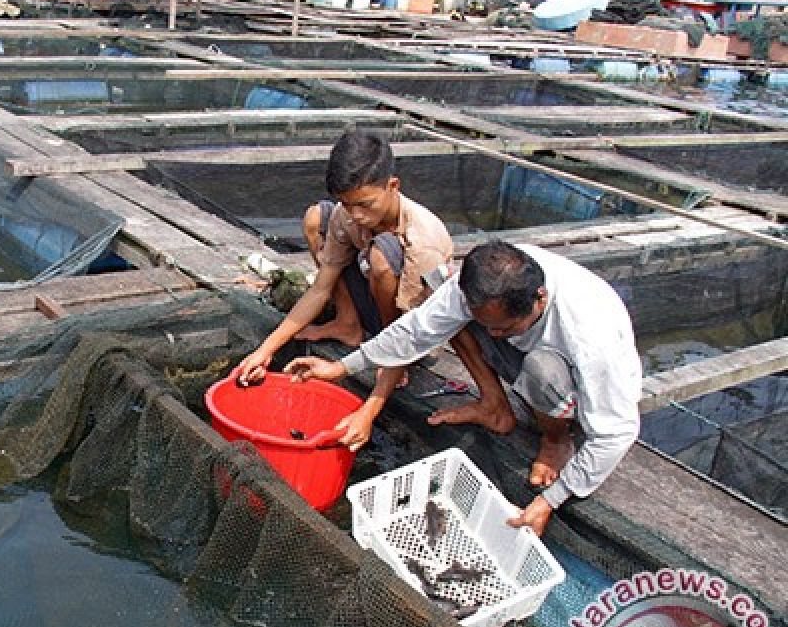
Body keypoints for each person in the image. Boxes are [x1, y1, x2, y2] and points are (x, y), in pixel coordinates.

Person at [285, 240, 643, 536]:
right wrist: (341, 366)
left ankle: (555, 438)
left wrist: (551, 500)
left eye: (504, 328)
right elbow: (415, 331)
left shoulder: (591, 334)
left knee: (542, 373)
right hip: (520, 352)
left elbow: (616, 433)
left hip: (569, 387)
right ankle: (495, 405)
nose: (495, 336)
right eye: (491, 326)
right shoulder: (482, 286)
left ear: (540, 298)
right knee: (438, 291)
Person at [236, 128, 513, 451]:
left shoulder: (423, 240)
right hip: (374, 301)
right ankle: (347, 323)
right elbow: (319, 288)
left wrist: (369, 409)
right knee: (317, 218)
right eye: (347, 204)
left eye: (364, 204)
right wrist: (264, 351)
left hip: (413, 325)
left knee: (382, 255)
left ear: (392, 186)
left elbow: (414, 332)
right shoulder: (349, 214)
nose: (356, 215)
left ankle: (386, 356)